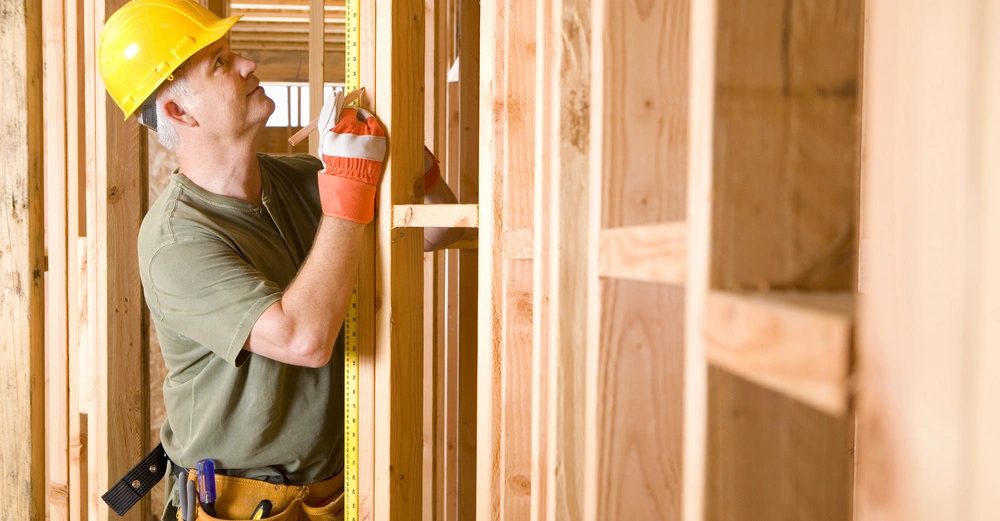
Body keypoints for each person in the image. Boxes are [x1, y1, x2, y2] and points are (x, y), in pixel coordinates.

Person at [96, 1, 458, 519]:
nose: (247, 64)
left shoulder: (298, 180)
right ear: (180, 112)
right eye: (220, 62)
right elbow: (303, 339)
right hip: (242, 508)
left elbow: (438, 228)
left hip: (331, 497)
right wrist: (351, 186)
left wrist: (406, 159)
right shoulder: (176, 241)